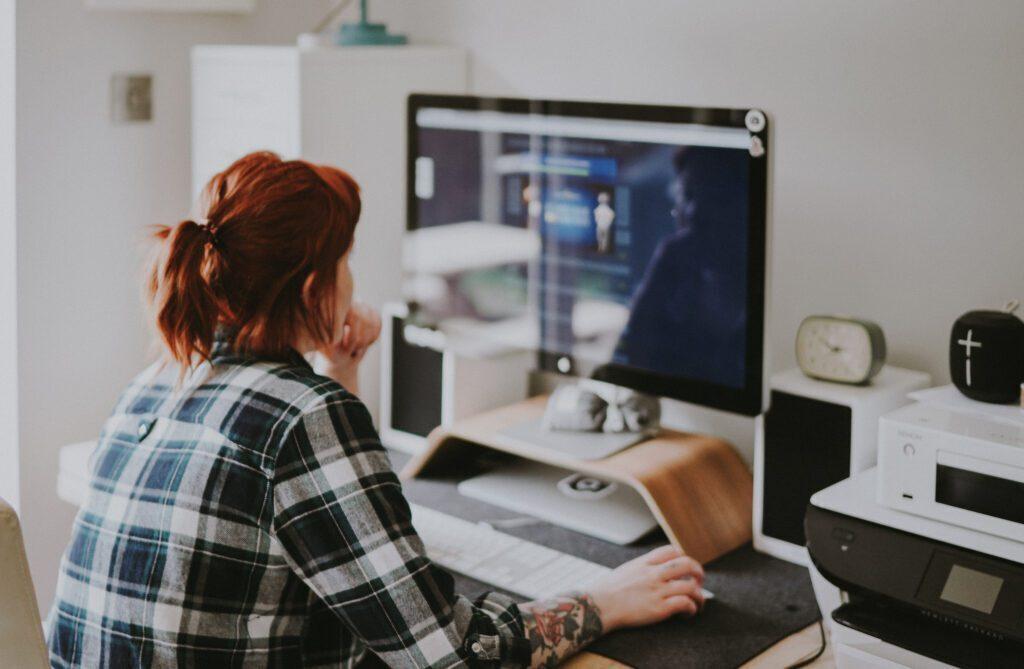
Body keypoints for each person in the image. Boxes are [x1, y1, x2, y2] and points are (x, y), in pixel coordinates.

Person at [46, 152, 706, 669]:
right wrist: (606, 601)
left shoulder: (159, 379)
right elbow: (454, 654)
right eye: (346, 262)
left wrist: (341, 370)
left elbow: (324, 523)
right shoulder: (303, 417)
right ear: (314, 288)